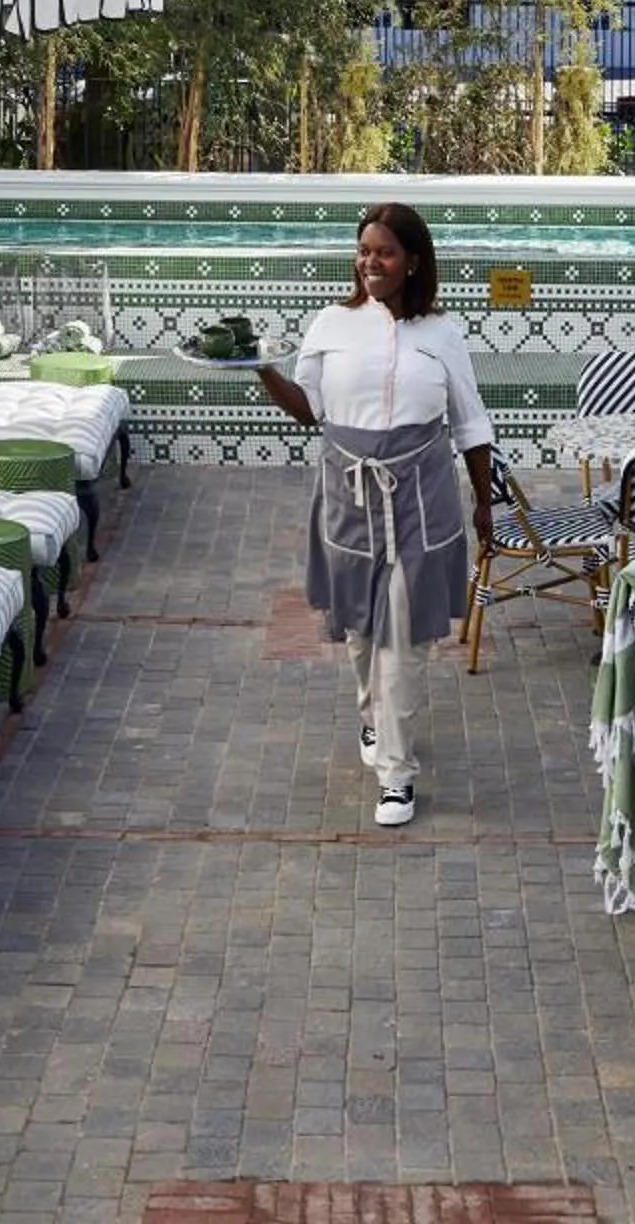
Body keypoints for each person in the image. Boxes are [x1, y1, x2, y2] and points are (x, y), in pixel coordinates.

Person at [255, 201, 495, 827]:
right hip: (348, 492)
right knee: (360, 628)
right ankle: (372, 719)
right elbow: (307, 409)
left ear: (413, 261)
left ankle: (397, 772)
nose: (371, 262)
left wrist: (485, 507)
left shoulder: (441, 333)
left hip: (422, 494)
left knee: (404, 635)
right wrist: (256, 367)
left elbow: (470, 423)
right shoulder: (332, 323)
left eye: (384, 252)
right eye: (364, 251)